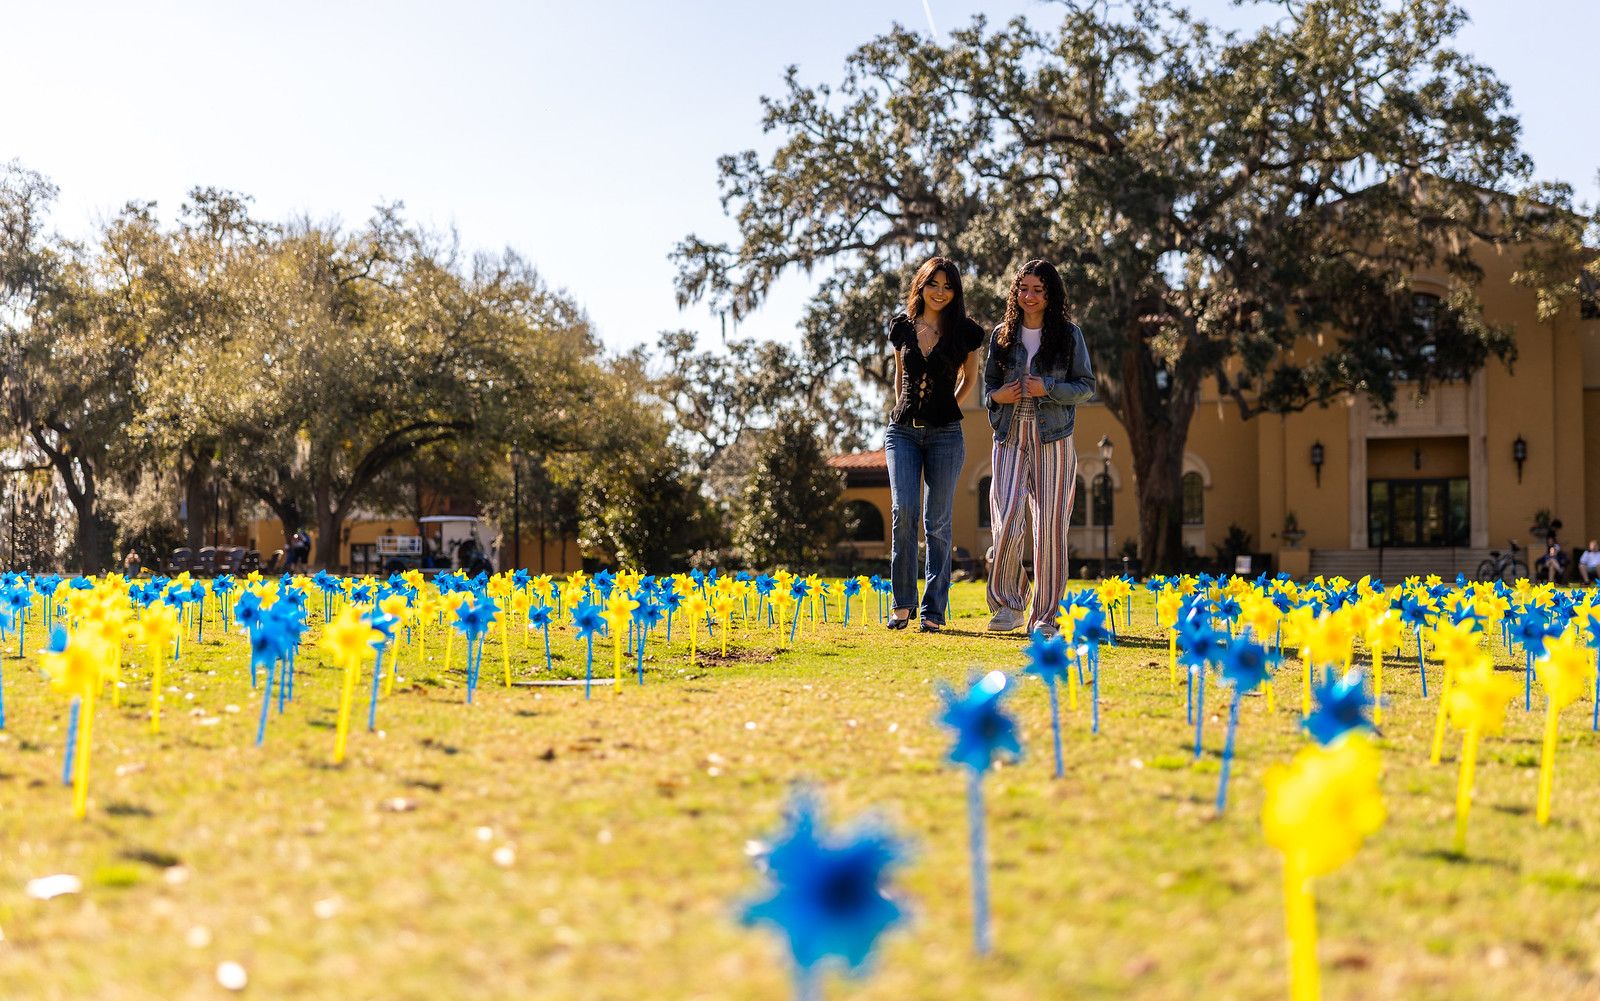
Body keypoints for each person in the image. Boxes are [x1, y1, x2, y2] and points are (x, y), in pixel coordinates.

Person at [983, 259, 1096, 637]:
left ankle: (1046, 616)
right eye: (1023, 289)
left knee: (1050, 527)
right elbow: (989, 390)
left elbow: (1086, 386)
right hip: (1010, 435)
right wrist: (998, 396)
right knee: (1007, 518)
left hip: (1054, 437)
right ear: (1015, 292)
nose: (1029, 296)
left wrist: (1047, 387)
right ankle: (1010, 604)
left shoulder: (1069, 336)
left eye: (1038, 290)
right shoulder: (1002, 334)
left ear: (1051, 295)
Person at [883, 256, 985, 632]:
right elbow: (900, 378)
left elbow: (970, 379)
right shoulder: (902, 327)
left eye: (948, 286)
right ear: (921, 286)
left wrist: (945, 409)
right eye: (933, 284)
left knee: (937, 522)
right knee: (903, 512)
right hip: (902, 433)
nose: (940, 292)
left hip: (946, 436)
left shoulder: (966, 332)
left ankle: (933, 611)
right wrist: (903, 408)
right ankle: (902, 604)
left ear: (955, 292)